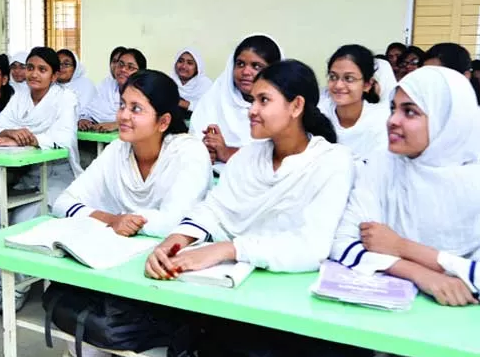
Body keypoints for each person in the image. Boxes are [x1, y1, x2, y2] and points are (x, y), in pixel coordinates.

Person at [52, 70, 212, 357]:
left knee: (158, 352)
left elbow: (175, 223)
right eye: (123, 105)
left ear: (164, 121)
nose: (123, 115)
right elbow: (62, 202)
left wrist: (127, 222)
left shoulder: (189, 152)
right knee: (88, 335)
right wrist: (111, 219)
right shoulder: (116, 152)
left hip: (175, 273)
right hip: (124, 267)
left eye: (136, 109)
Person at [147, 59, 353, 278]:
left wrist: (229, 249)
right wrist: (176, 240)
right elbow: (213, 210)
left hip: (289, 287)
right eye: (252, 100)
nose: (252, 110)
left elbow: (311, 246)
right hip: (221, 281)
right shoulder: (247, 157)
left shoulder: (332, 161)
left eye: (263, 100)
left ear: (296, 106)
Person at [330, 66, 480, 304]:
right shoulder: (383, 163)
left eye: (410, 112)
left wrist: (401, 247)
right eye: (393, 109)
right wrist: (421, 274)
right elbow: (343, 244)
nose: (392, 121)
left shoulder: (473, 183)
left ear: (447, 120)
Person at [0, 47, 83, 313]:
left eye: (42, 69)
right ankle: (0, 284)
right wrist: (14, 131)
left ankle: (18, 288)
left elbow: (65, 137)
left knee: (24, 220)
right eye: (30, 67)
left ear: (55, 74)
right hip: (26, 172)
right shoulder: (20, 96)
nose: (34, 74)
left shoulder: (66, 98)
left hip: (57, 175)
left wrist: (32, 138)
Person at [189, 34, 283, 173]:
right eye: (240, 64)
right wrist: (205, 151)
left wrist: (227, 153)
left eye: (256, 66)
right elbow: (194, 141)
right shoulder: (216, 97)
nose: (245, 72)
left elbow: (280, 156)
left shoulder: (282, 107)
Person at [318, 45, 388, 164]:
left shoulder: (381, 120)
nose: (338, 85)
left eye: (349, 78)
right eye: (333, 77)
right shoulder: (319, 114)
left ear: (367, 84)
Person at [79, 48, 147, 132]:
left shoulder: (146, 92)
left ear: (141, 72)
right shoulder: (107, 86)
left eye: (130, 67)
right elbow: (92, 110)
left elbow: (148, 119)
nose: (123, 69)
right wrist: (85, 119)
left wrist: (117, 124)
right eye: (120, 64)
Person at [170, 48, 212, 119]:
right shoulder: (169, 81)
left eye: (190, 63)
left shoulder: (206, 85)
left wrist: (186, 104)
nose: (183, 66)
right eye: (180, 61)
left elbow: (210, 108)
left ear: (197, 68)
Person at [57, 49, 95, 116]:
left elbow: (88, 112)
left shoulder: (85, 85)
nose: (60, 67)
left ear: (75, 68)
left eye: (66, 64)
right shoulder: (49, 85)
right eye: (57, 64)